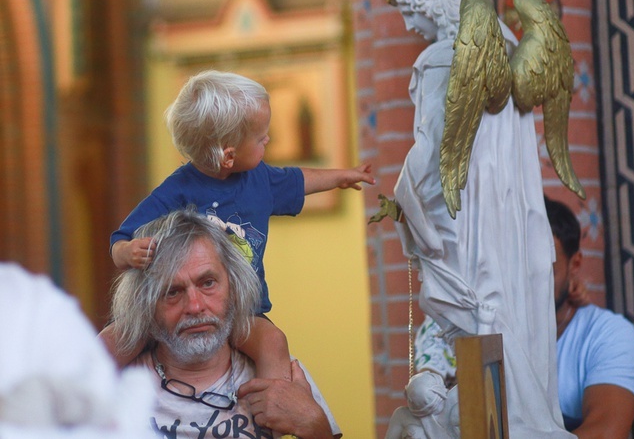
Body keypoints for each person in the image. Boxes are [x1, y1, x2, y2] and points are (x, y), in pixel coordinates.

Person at [358, 0, 568, 436]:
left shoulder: (442, 58)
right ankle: (524, 415)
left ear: (432, 0)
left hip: (465, 217)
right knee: (500, 306)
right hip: (506, 209)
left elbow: (433, 151)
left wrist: (405, 200)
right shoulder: (510, 46)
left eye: (409, 9)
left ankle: (516, 418)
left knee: (472, 306)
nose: (410, 25)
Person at [104, 70, 375, 386]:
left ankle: (275, 409)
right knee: (111, 343)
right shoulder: (175, 192)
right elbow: (121, 238)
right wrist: (127, 251)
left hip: (243, 311)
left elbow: (299, 180)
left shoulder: (260, 180)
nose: (268, 140)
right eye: (261, 138)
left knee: (273, 342)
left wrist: (342, 176)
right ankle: (85, 407)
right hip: (174, 311)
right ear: (229, 155)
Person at [414, 196, 634, 438]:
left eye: (544, 271)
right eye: (516, 268)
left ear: (575, 264)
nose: (529, 285)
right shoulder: (473, 326)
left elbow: (605, 432)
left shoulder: (606, 334)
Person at [109, 208, 342, 439]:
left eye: (208, 283)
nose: (195, 306)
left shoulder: (281, 374)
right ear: (145, 303)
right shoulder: (113, 390)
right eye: (172, 291)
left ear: (233, 287)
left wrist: (313, 424)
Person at [0, 262, 154, 439]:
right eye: (173, 292)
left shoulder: (36, 309)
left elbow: (108, 421)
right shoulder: (34, 309)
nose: (193, 306)